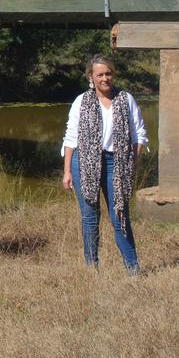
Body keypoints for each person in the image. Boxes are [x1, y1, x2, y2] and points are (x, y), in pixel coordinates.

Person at [61, 55, 147, 274]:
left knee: (120, 216)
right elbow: (71, 138)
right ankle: (92, 269)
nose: (105, 78)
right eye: (100, 74)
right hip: (85, 163)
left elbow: (139, 135)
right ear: (91, 77)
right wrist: (67, 171)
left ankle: (133, 270)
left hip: (116, 163)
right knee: (90, 218)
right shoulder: (82, 101)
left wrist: (130, 162)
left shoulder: (125, 99)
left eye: (108, 73)